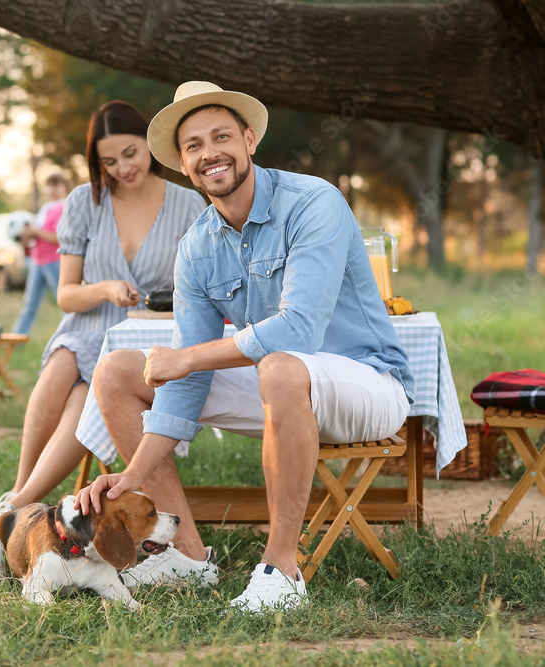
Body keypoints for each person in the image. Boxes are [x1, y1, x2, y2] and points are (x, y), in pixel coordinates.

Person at [74, 81, 416, 614]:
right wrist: (133, 476)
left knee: (279, 366)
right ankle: (188, 556)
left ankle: (281, 574)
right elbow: (182, 385)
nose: (209, 152)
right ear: (184, 164)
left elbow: (297, 332)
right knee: (119, 370)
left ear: (249, 139)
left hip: (366, 383)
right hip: (280, 396)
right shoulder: (197, 247)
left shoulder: (313, 202)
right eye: (193, 145)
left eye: (221, 136)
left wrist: (187, 357)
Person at [0, 101, 207, 539]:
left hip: (143, 330)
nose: (123, 168)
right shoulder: (84, 201)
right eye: (109, 161)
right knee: (64, 363)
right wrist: (105, 288)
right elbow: (66, 295)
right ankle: (19, 493)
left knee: (88, 392)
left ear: (151, 145)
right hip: (87, 322)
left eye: (131, 154)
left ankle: (16, 508)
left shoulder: (189, 205)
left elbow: (200, 290)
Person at [12, 173, 70, 335]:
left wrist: (35, 231)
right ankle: (17, 339)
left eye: (56, 185)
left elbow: (57, 237)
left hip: (55, 261)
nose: (52, 190)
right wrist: (27, 236)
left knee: (64, 303)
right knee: (29, 304)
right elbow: (39, 235)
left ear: (64, 187)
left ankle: (68, 336)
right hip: (38, 262)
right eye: (49, 186)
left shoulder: (63, 207)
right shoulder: (45, 208)